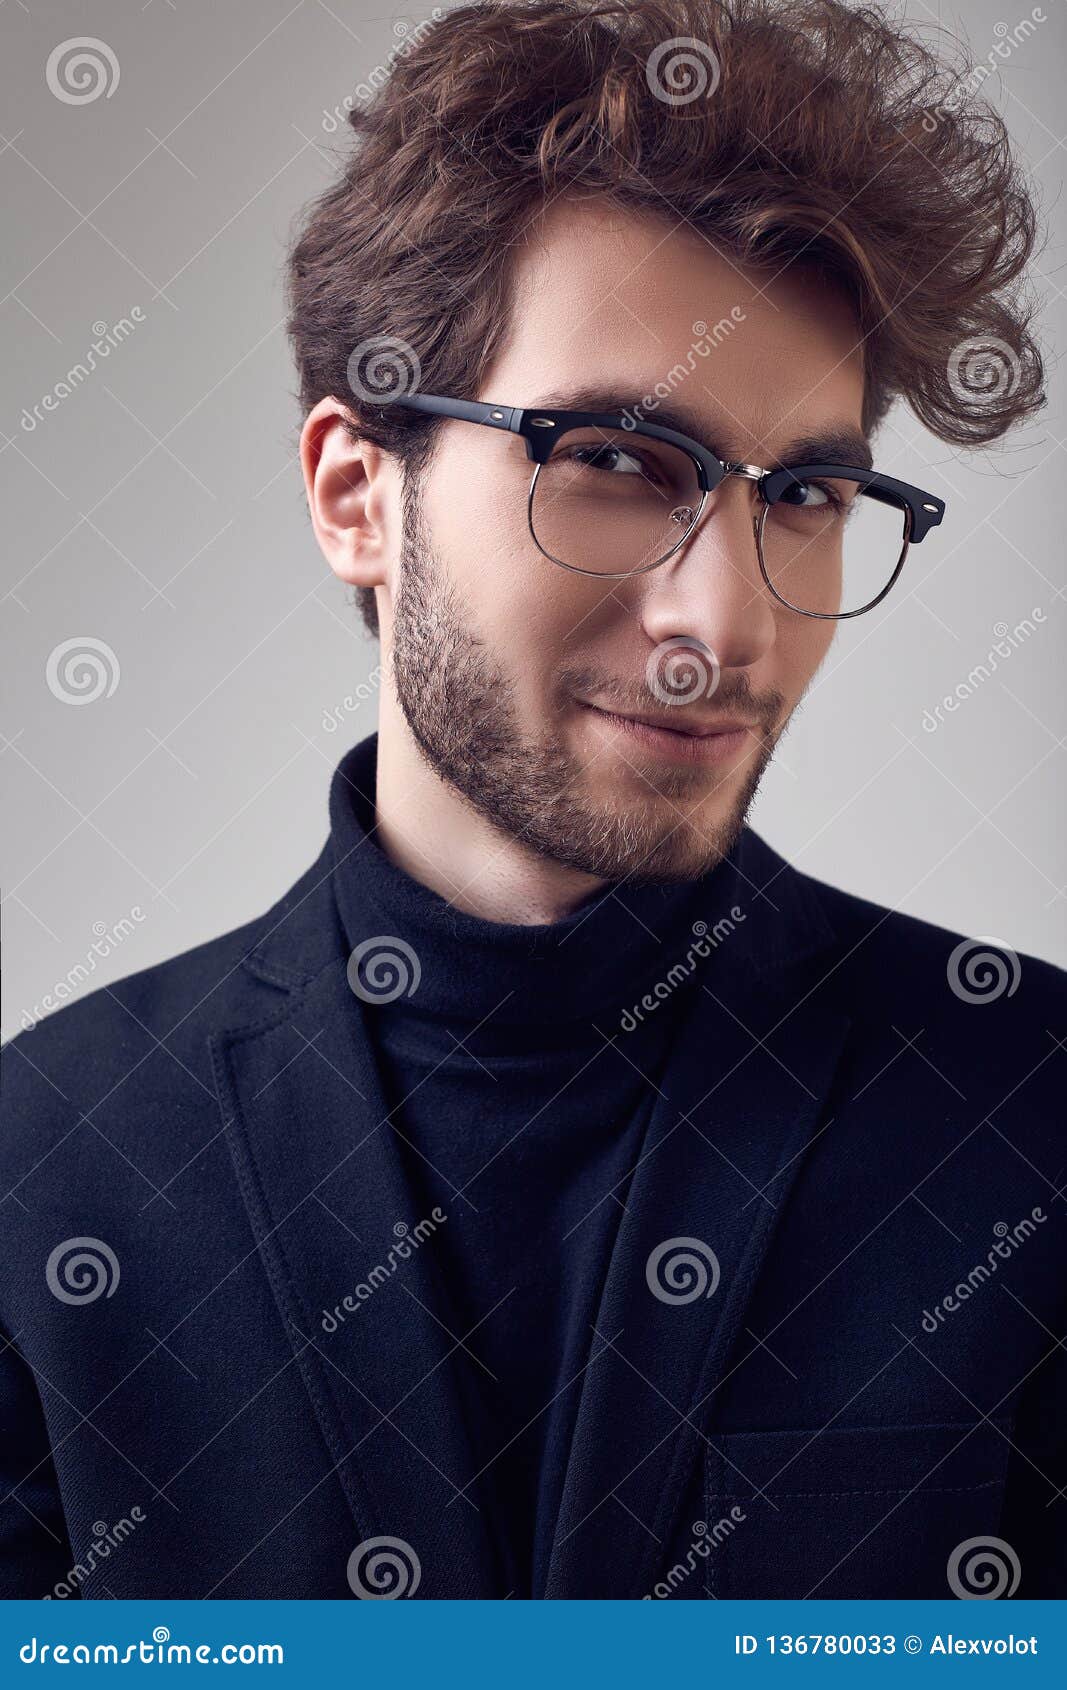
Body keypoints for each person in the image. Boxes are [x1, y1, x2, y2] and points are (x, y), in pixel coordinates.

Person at [2, 0, 1063, 1601]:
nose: (729, 627)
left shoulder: (1030, 1114)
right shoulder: (49, 1163)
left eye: (806, 494)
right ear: (361, 494)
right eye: (624, 460)